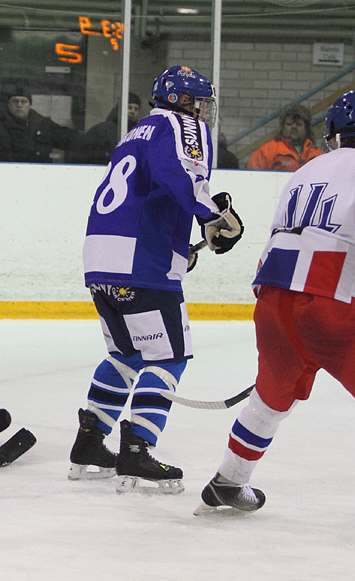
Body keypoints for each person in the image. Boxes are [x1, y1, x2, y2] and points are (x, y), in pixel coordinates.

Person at [196, 90, 355, 548]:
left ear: (331, 135)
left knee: (270, 401)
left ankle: (228, 481)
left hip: (272, 300)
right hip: (326, 302)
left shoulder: (306, 170)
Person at [68, 65, 244, 494]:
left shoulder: (137, 131)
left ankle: (90, 443)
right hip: (139, 264)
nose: (203, 111)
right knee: (168, 358)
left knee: (126, 356)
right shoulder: (181, 124)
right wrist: (215, 217)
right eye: (199, 102)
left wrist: (176, 247)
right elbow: (180, 177)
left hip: (102, 259)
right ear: (183, 101)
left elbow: (146, 193)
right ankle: (137, 450)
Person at [0, 85, 80, 163]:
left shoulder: (43, 124)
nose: (19, 105)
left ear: (30, 105)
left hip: (41, 176)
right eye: (15, 101)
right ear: (8, 104)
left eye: (24, 101)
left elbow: (68, 140)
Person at [67, 92, 142, 164]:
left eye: (136, 109)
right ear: (120, 108)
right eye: (129, 107)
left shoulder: (139, 133)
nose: (132, 111)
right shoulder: (101, 130)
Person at [247, 103, 323, 171]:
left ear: (306, 129)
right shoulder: (265, 152)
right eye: (289, 124)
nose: (294, 127)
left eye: (299, 124)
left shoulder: (317, 154)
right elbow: (253, 178)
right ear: (282, 127)